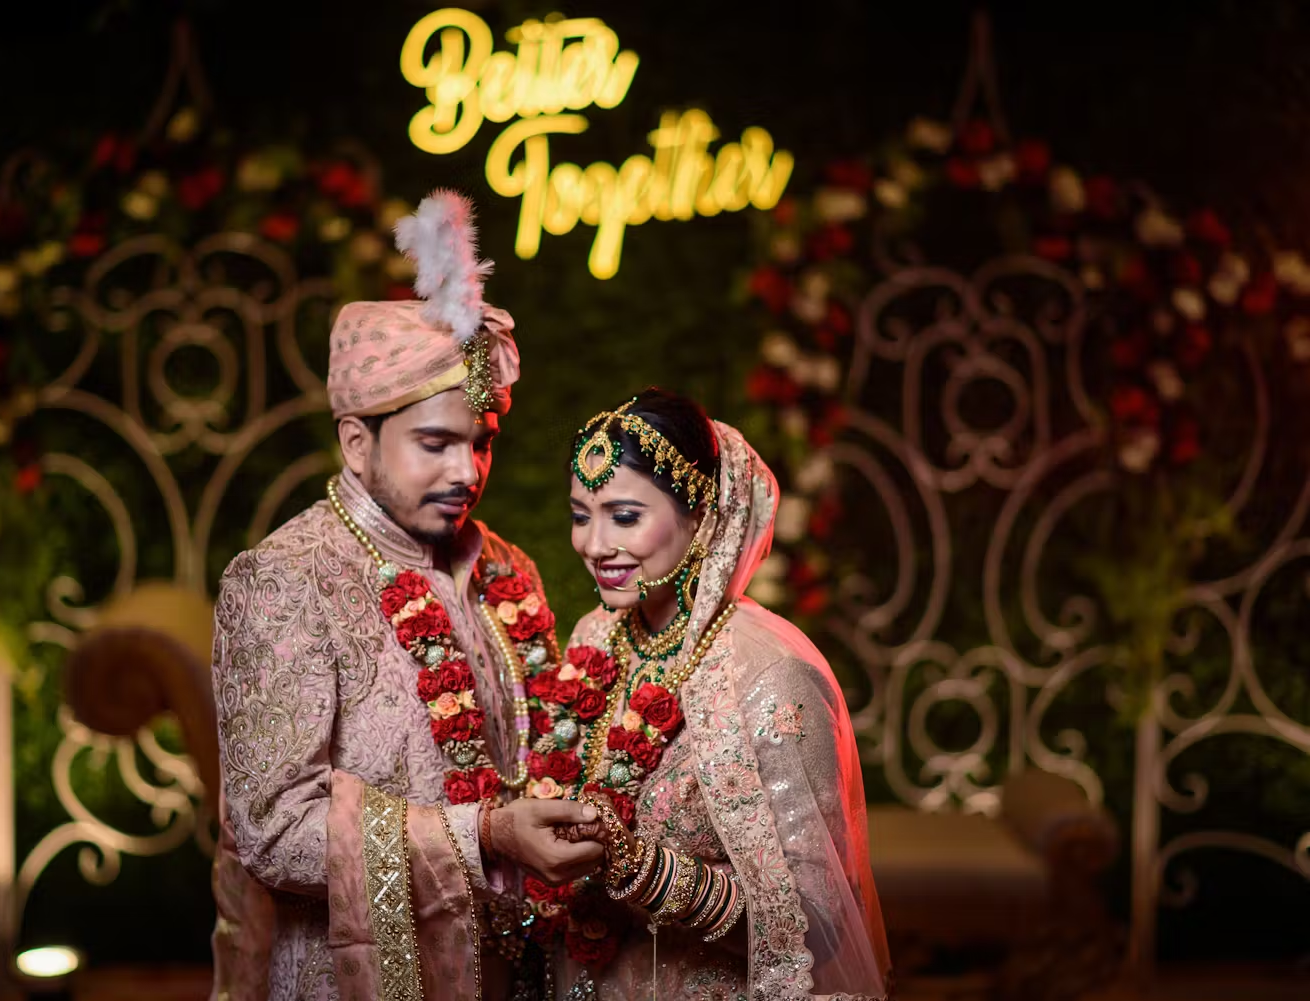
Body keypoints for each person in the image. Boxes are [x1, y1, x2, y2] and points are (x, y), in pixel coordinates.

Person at [210, 191, 605, 1001]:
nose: (466, 471)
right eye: (435, 442)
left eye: (482, 440)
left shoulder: (509, 569)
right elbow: (271, 828)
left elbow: (551, 743)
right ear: (358, 442)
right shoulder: (285, 579)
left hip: (520, 970)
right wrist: (487, 835)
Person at [522, 388, 890, 1000]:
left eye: (625, 516)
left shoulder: (770, 673)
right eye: (581, 515)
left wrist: (642, 870)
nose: (592, 545)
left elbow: (818, 919)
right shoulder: (596, 637)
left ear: (698, 516)